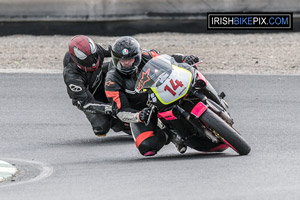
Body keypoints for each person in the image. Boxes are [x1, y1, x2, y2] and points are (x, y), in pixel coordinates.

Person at [104, 36, 199, 156]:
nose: (126, 63)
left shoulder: (147, 55)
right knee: (146, 147)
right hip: (144, 111)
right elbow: (120, 111)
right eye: (122, 61)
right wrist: (139, 115)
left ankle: (210, 97)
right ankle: (168, 134)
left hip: (164, 93)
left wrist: (184, 58)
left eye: (130, 59)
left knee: (191, 73)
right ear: (116, 60)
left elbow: (169, 59)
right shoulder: (111, 80)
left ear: (137, 56)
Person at [63, 35, 129, 137]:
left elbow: (119, 50)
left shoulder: (98, 49)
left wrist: (139, 52)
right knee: (101, 128)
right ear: (76, 59)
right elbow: (86, 103)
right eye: (86, 60)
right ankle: (116, 123)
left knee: (122, 65)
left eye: (93, 56)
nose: (92, 61)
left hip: (101, 78)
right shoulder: (71, 76)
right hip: (89, 97)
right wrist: (110, 108)